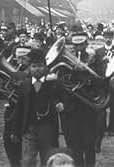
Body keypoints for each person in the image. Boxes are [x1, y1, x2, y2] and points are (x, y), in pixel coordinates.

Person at [11, 48, 66, 167]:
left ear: (46, 67)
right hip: (29, 127)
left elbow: (64, 98)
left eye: (40, 66)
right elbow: (19, 108)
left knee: (47, 158)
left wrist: (62, 104)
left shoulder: (53, 83)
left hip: (48, 126)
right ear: (29, 68)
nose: (37, 69)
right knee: (27, 159)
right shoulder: (25, 84)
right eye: (34, 66)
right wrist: (15, 130)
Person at [61, 32, 98, 167]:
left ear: (86, 44)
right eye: (75, 45)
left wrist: (85, 73)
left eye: (81, 44)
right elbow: (61, 83)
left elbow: (100, 80)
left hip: (88, 108)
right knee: (73, 145)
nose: (78, 48)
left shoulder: (94, 59)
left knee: (88, 144)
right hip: (71, 108)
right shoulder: (65, 61)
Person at [3, 46, 31, 167]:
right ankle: (14, 163)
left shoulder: (34, 71)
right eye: (18, 58)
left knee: (23, 144)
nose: (20, 61)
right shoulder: (14, 71)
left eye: (23, 58)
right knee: (8, 141)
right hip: (12, 110)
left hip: (27, 112)